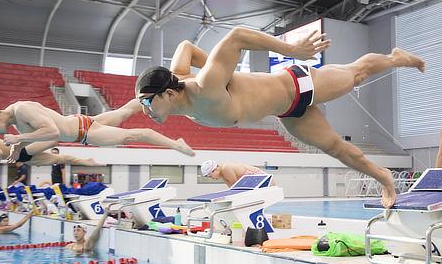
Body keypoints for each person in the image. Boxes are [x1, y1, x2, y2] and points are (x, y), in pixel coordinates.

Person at [133, 28, 425, 208]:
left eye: (146, 102)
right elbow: (185, 46)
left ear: (168, 94)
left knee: (356, 73)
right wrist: (226, 73)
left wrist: (292, 50)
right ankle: (385, 179)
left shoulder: (206, 86)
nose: (145, 110)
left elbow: (237, 36)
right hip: (287, 113)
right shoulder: (181, 84)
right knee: (335, 149)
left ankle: (396, 58)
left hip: (298, 85)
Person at [0, 100, 194, 163]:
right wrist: (17, 149)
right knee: (126, 111)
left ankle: (177, 144)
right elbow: (43, 134)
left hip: (86, 132)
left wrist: (19, 139)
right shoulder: (15, 114)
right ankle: (154, 94)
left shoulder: (22, 110)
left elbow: (51, 133)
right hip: (83, 123)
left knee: (136, 134)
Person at [0, 135, 104, 187]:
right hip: (25, 159)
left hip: (22, 150)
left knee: (54, 139)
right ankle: (87, 161)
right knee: (58, 159)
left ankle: (79, 133)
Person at [201, 160, 273, 187]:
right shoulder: (222, 174)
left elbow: (236, 187)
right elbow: (231, 189)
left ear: (214, 170)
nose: (212, 178)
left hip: (264, 179)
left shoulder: (225, 168)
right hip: (257, 181)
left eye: (210, 176)